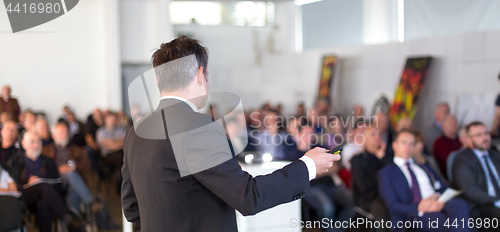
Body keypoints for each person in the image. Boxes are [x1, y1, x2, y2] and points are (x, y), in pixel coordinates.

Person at [121, 36, 340, 232]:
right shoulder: (197, 127)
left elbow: (132, 209)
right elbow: (248, 197)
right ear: (200, 74)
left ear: (158, 81)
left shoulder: (136, 132)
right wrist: (308, 166)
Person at [378, 129, 470, 232]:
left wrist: (438, 197)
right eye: (404, 143)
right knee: (452, 223)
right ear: (395, 145)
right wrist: (421, 207)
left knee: (460, 204)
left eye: (411, 144)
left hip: (438, 203)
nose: (408, 147)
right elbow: (393, 206)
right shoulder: (387, 172)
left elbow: (443, 187)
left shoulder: (423, 166)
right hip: (413, 214)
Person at [11, 131, 83, 232]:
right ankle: (68, 218)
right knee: (42, 186)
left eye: (39, 142)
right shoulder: (16, 162)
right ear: (24, 144)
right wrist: (27, 180)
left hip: (47, 197)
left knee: (43, 203)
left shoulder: (48, 161)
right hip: (25, 197)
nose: (36, 145)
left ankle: (66, 220)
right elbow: (12, 184)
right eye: (32, 142)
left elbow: (58, 185)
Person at [451, 121, 500, 221]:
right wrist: (497, 201)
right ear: (469, 140)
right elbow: (470, 190)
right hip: (482, 205)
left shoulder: (494, 154)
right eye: (479, 135)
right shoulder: (462, 159)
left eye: (486, 133)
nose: (485, 137)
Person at [351, 123, 388, 213]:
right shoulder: (357, 160)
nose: (377, 137)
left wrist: (383, 158)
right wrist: (380, 161)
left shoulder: (387, 157)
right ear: (365, 138)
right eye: (373, 134)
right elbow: (365, 188)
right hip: (369, 200)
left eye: (380, 134)